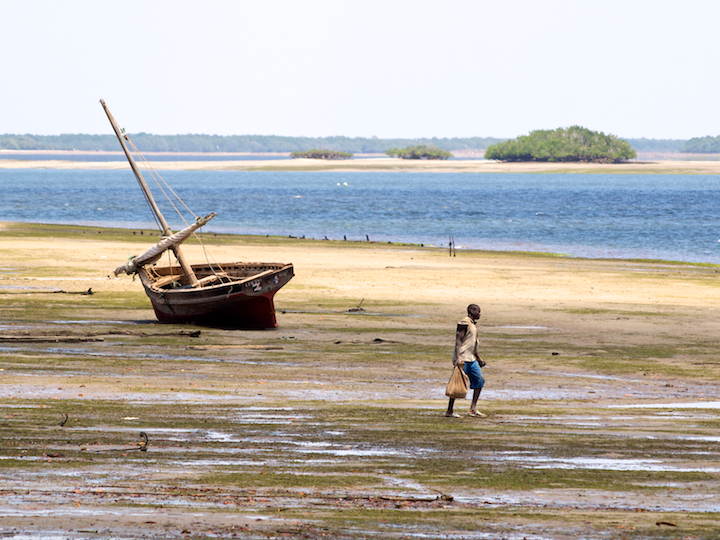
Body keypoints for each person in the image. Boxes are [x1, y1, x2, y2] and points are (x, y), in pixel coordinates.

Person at [446, 304, 487, 418]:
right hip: (463, 359)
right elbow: (458, 341)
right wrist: (457, 358)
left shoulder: (473, 325)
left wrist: (478, 358)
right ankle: (449, 411)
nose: (479, 314)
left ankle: (473, 409)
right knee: (457, 383)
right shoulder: (464, 323)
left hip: (471, 359)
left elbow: (472, 345)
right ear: (472, 311)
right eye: (478, 311)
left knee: (479, 381)